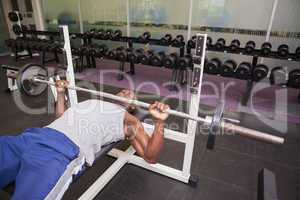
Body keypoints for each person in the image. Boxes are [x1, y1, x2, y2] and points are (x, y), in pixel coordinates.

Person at [0, 80, 170, 200]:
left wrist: (159, 122)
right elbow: (61, 117)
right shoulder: (90, 103)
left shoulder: (129, 121)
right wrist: (61, 94)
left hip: (60, 152)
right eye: (123, 90)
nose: (126, 91)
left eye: (131, 94)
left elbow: (150, 156)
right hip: (31, 137)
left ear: (132, 106)